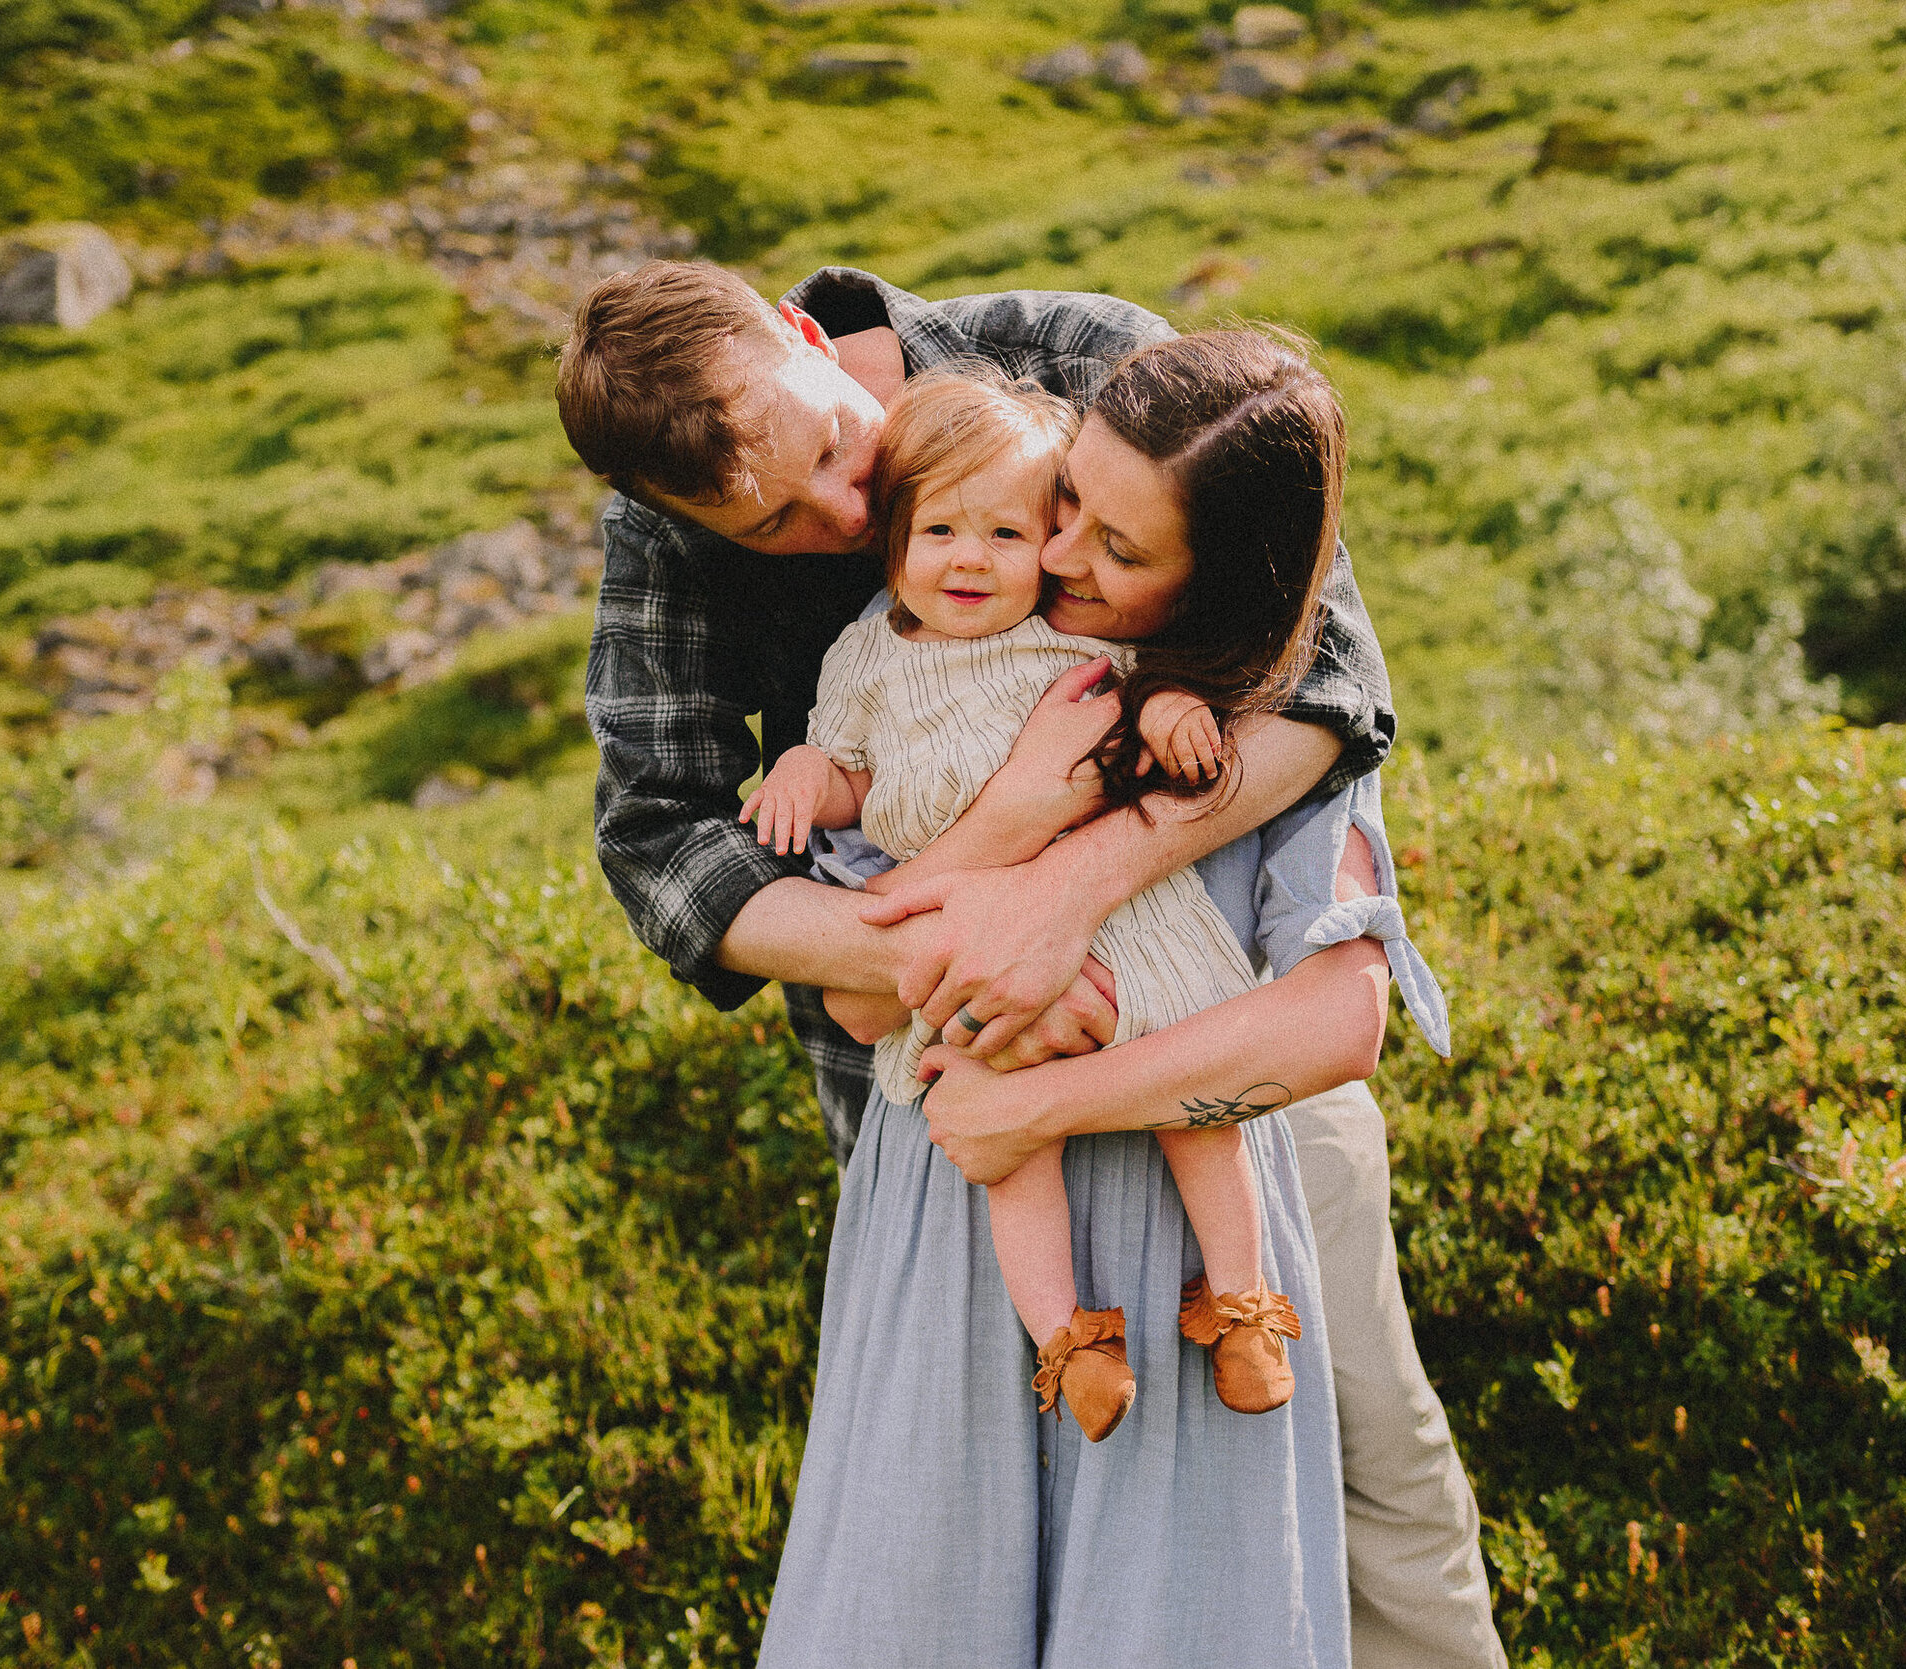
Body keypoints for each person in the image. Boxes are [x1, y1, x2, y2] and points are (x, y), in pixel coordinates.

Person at [559, 260, 1505, 1667]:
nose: (839, 519)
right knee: (982, 1563)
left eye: (831, 452)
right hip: (956, 1115)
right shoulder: (671, 532)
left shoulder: (1089, 362)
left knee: (1364, 1478)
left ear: (811, 337)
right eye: (771, 526)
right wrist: (948, 944)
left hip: (1231, 1076)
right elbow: (664, 848)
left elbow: (1324, 684)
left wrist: (1062, 888)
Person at [743, 366, 1373, 1438]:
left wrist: (1173, 708)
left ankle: (1239, 1300)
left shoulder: (1088, 637)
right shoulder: (871, 654)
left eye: (1015, 527)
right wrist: (816, 771)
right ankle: (1067, 1336)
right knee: (1007, 1158)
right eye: (941, 529)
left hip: (1141, 961)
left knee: (1186, 1125)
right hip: (963, 985)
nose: (1007, 557)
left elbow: (1153, 685)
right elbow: (857, 961)